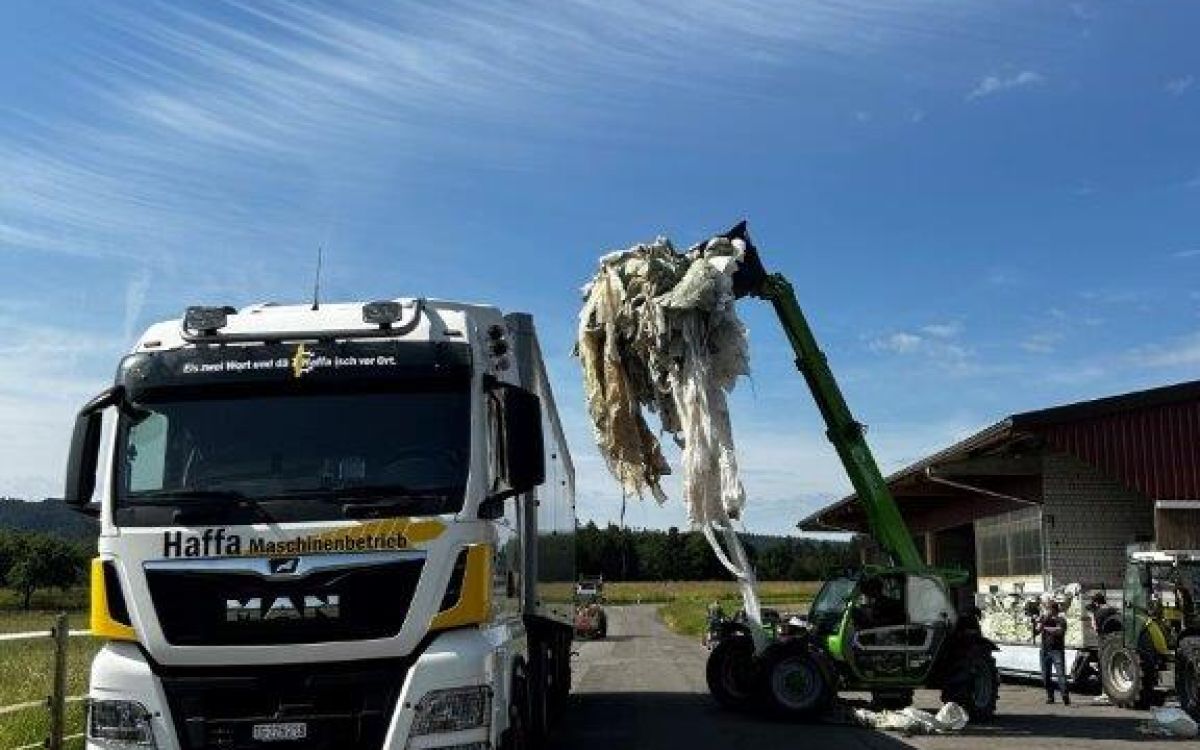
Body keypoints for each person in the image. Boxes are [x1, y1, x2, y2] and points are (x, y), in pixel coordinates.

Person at [1034, 599, 1070, 705]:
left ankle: (1065, 696)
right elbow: (1037, 631)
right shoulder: (1044, 619)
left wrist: (1045, 627)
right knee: (1045, 676)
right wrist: (1038, 623)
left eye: (1049, 609)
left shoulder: (1061, 619)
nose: (1047, 611)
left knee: (1060, 675)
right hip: (1045, 650)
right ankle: (1050, 696)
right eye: (1046, 609)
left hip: (1057, 651)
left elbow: (1059, 631)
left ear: (1054, 610)